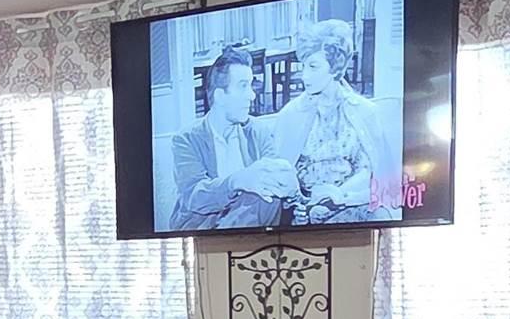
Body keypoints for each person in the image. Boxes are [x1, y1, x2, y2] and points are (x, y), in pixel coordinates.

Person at [161, 45, 294, 230]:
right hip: (204, 227)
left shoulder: (258, 131)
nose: (252, 95)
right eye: (243, 86)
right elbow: (194, 195)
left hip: (249, 220)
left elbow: (277, 177)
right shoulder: (186, 139)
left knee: (267, 196)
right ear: (220, 96)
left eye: (251, 85)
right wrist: (237, 181)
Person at [279, 18, 396, 223]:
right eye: (303, 66)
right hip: (307, 210)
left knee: (380, 214)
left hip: (352, 200)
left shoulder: (365, 111)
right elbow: (283, 177)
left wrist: (337, 197)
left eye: (314, 67)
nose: (304, 76)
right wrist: (302, 206)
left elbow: (371, 172)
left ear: (335, 66)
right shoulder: (291, 114)